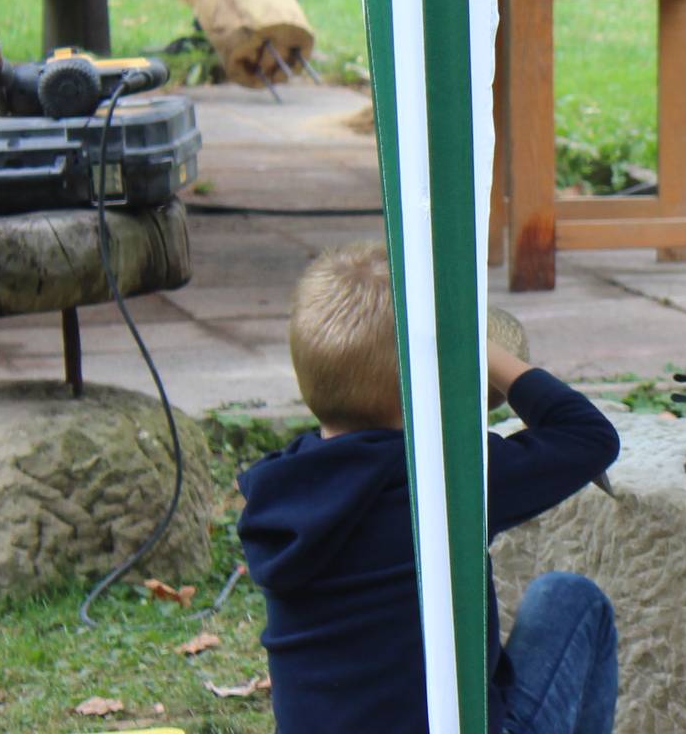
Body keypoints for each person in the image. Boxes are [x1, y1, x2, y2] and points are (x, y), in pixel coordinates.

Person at [239, 243, 621, 732]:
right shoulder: (444, 482)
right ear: (429, 378)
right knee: (570, 598)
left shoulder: (279, 488)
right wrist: (479, 345)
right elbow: (589, 436)